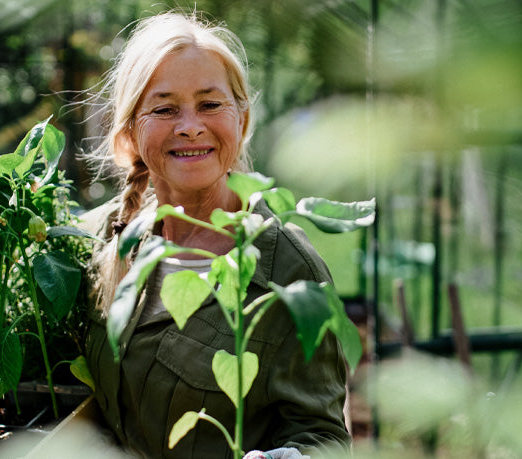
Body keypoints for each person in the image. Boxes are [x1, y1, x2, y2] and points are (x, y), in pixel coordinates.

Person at [78, 11, 351, 458]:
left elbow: (324, 437)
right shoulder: (112, 236)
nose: (190, 125)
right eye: (165, 109)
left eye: (209, 104)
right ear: (130, 133)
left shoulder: (288, 272)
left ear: (241, 122)